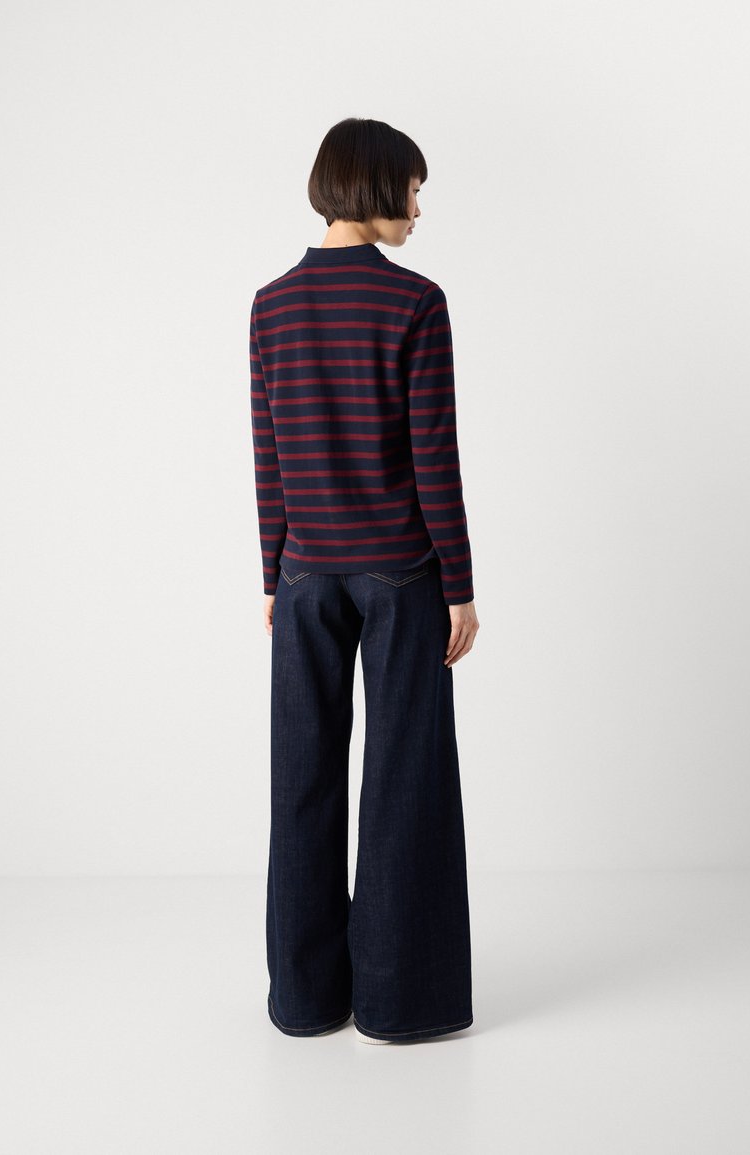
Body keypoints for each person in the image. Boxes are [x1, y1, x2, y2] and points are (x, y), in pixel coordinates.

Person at [250, 117, 480, 1044]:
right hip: (401, 572)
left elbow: (269, 452)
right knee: (404, 778)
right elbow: (434, 456)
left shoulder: (270, 305)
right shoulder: (415, 302)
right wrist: (458, 583)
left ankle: (306, 1000)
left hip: (304, 571)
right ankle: (400, 1000)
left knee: (301, 778)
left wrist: (273, 570)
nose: (419, 209)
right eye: (413, 190)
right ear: (375, 185)